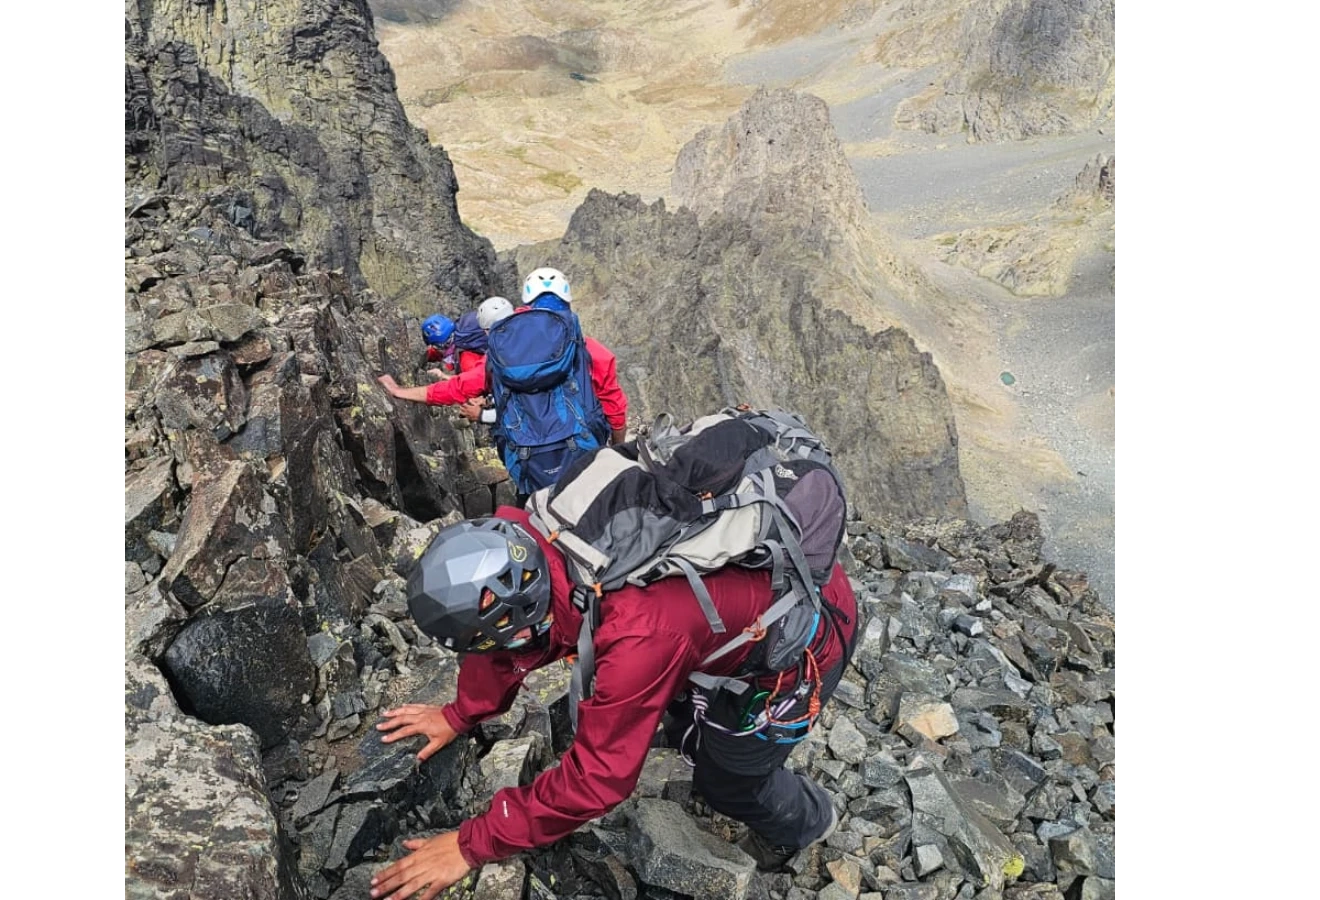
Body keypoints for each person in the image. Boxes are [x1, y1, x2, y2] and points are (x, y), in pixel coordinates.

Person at [368, 508, 859, 900]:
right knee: (672, 698)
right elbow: (514, 644)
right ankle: (692, 708)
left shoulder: (637, 634)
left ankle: (808, 822)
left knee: (728, 780)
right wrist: (460, 714)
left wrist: (472, 844)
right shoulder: (530, 532)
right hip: (722, 605)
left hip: (803, 635)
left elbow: (599, 779)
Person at [459, 269, 628, 448]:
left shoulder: (510, 355)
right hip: (583, 445)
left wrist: (481, 412)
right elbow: (615, 412)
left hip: (529, 454)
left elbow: (512, 404)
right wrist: (618, 449)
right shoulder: (593, 352)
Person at [378, 299, 515, 408]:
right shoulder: (460, 339)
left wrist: (398, 391)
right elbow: (437, 354)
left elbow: (463, 386)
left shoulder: (467, 358)